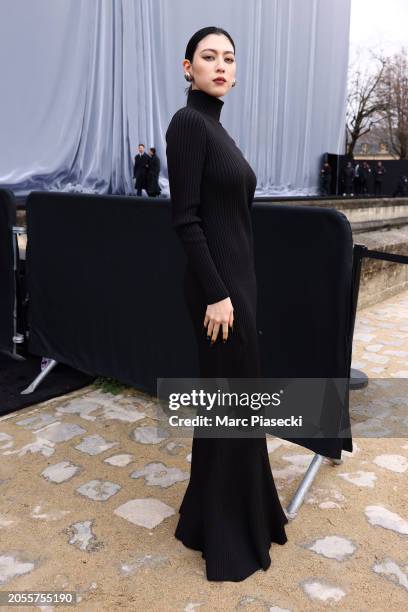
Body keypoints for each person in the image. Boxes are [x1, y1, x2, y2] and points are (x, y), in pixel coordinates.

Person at [165, 26, 288, 583]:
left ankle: (211, 519)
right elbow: (185, 220)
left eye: (228, 58)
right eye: (208, 57)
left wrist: (237, 291)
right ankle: (226, 534)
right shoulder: (188, 124)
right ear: (186, 66)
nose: (220, 65)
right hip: (219, 294)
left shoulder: (220, 131)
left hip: (240, 289)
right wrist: (217, 293)